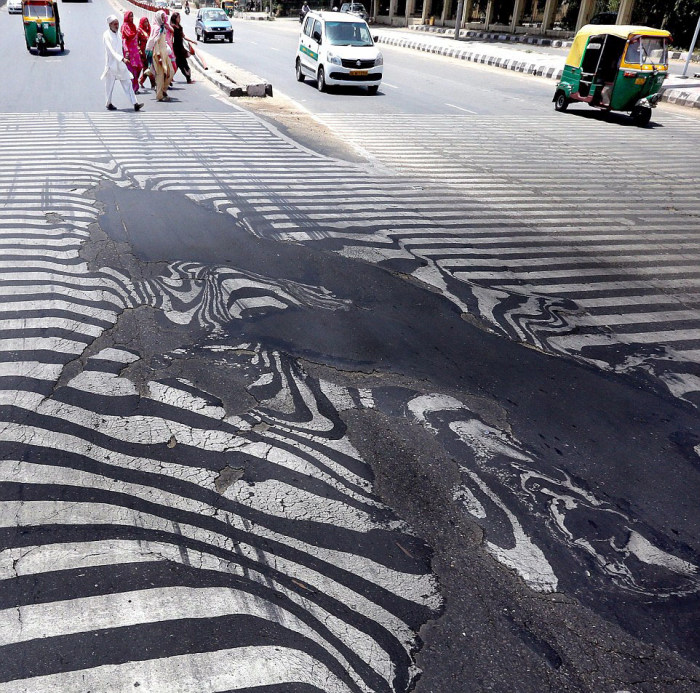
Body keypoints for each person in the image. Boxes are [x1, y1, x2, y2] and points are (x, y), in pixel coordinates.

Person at [101, 15, 143, 111]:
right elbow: (111, 50)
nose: (117, 26)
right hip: (111, 65)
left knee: (128, 82)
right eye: (115, 24)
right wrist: (122, 59)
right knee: (109, 86)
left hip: (120, 65)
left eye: (117, 23)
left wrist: (127, 54)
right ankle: (108, 103)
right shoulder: (106, 35)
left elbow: (123, 45)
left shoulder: (118, 34)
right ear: (110, 24)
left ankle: (135, 103)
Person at [146, 10, 174, 101]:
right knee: (160, 75)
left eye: (164, 17)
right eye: (161, 17)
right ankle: (159, 95)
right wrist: (158, 56)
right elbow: (155, 43)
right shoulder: (156, 28)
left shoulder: (162, 27)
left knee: (171, 72)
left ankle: (164, 90)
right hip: (158, 54)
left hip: (164, 53)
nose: (163, 19)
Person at [120, 11, 142, 93]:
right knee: (132, 70)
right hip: (129, 52)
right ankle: (133, 88)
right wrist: (126, 52)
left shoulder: (133, 26)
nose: (132, 18)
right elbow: (125, 39)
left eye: (132, 16)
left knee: (139, 67)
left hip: (135, 51)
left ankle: (134, 86)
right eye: (130, 16)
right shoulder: (124, 27)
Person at [170, 12, 194, 84]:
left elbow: (183, 36)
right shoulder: (172, 27)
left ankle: (169, 79)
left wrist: (192, 41)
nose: (179, 19)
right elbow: (171, 38)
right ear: (175, 18)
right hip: (175, 49)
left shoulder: (179, 27)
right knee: (180, 64)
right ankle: (188, 79)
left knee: (180, 64)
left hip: (181, 48)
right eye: (178, 17)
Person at [137, 17, 155, 89]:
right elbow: (136, 42)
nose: (146, 23)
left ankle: (141, 80)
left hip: (150, 51)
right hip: (143, 52)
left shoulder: (149, 30)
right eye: (144, 22)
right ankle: (153, 84)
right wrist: (139, 50)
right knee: (148, 68)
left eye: (147, 21)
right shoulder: (139, 31)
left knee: (147, 68)